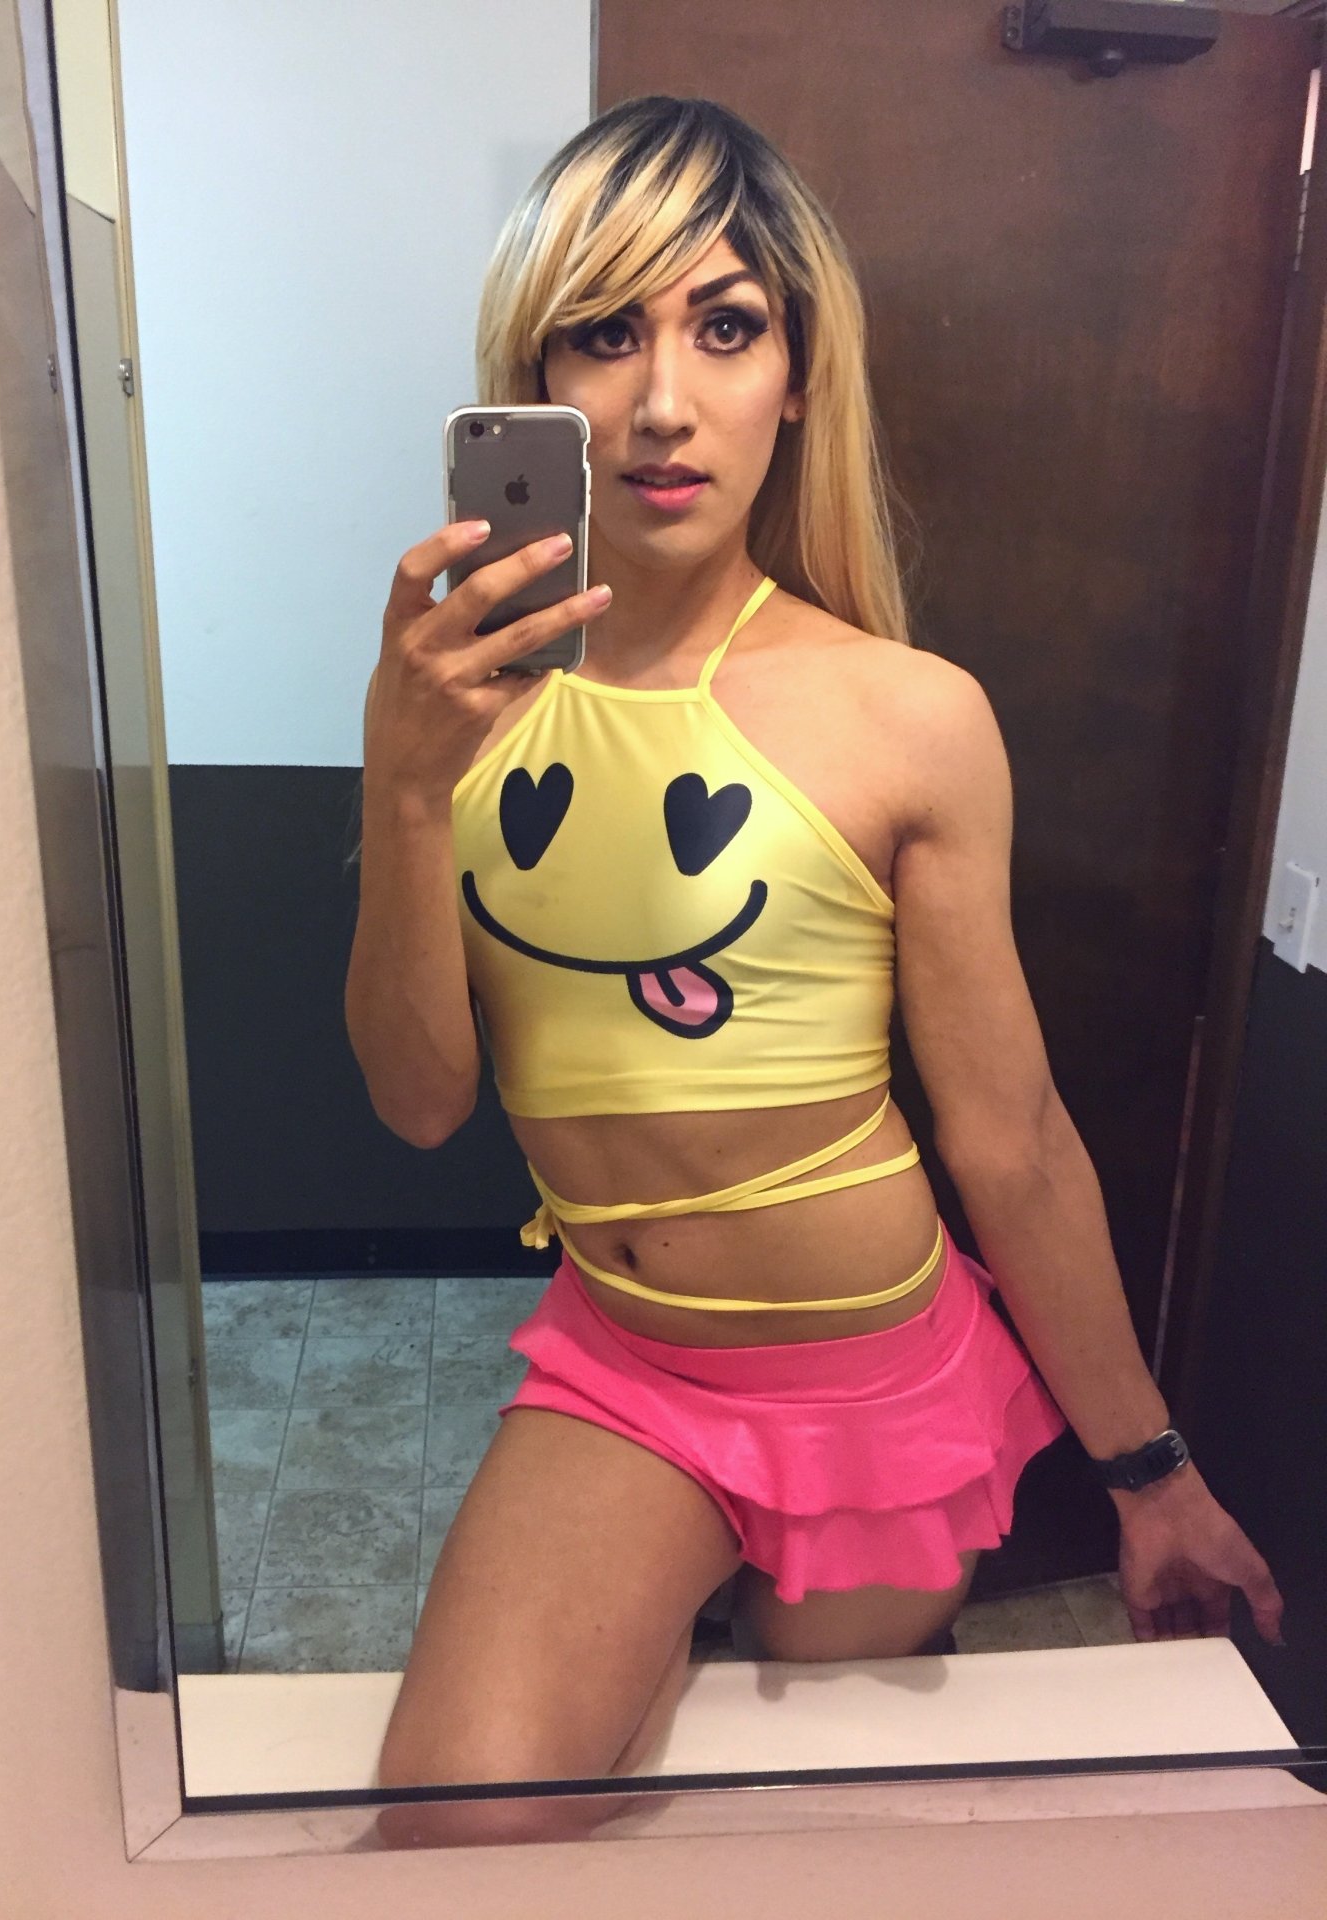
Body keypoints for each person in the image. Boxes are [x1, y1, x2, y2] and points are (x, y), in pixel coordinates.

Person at [345, 95, 1284, 1820]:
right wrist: (402, 790)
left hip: (872, 1386)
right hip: (628, 1365)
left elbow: (1011, 1139)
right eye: (604, 331)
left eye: (725, 327)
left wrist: (1152, 1475)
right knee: (457, 1818)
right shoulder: (454, 704)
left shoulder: (912, 718)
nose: (661, 401)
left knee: (787, 1818)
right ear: (534, 376)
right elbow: (418, 1105)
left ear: (797, 374)